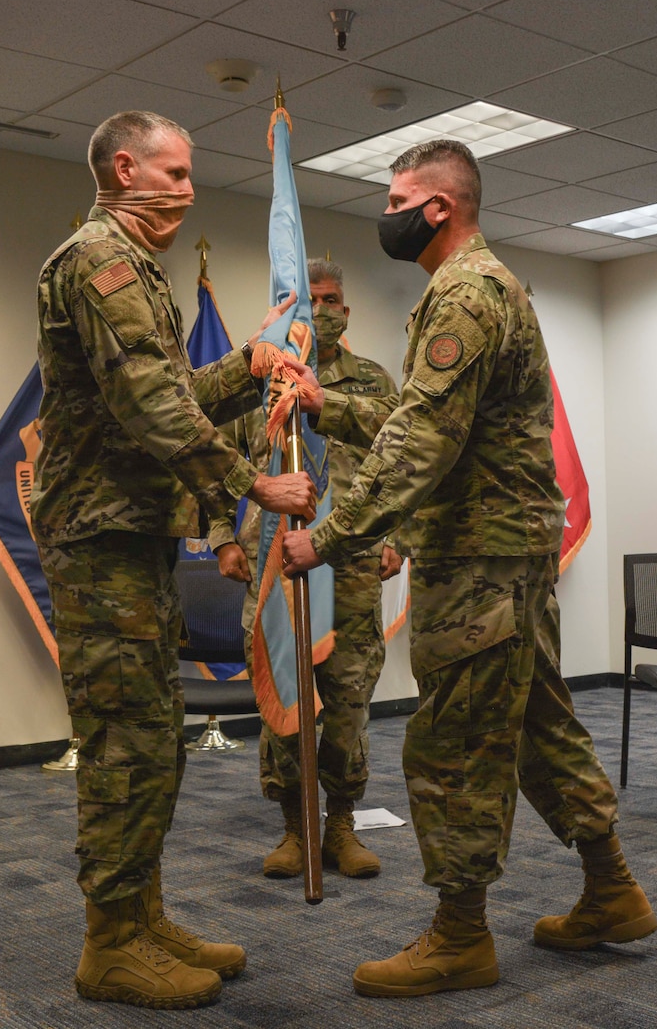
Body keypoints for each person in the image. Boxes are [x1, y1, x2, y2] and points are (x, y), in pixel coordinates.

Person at [281, 139, 656, 997]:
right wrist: (329, 408)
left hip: (483, 562)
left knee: (451, 742)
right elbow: (430, 427)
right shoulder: (477, 290)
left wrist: (329, 536)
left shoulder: (466, 295)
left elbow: (421, 440)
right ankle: (612, 890)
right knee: (538, 726)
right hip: (501, 552)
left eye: (396, 199)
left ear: (439, 208)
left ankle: (460, 937)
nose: (387, 215)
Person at [31, 110, 316, 1011]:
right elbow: (152, 402)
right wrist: (250, 484)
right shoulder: (98, 262)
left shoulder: (136, 269)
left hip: (133, 538)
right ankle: (109, 943)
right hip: (101, 540)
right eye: (178, 172)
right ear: (126, 166)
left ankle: (140, 916)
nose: (191, 190)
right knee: (124, 743)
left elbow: (172, 389)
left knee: (154, 741)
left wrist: (245, 364)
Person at [208, 258, 401, 881]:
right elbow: (209, 456)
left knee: (346, 700)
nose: (323, 308)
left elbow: (405, 463)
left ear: (347, 309)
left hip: (350, 564)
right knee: (286, 697)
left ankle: (341, 825)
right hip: (276, 567)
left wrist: (399, 537)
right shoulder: (260, 383)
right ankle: (294, 829)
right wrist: (220, 539)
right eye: (311, 299)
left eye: (333, 298)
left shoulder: (370, 381)